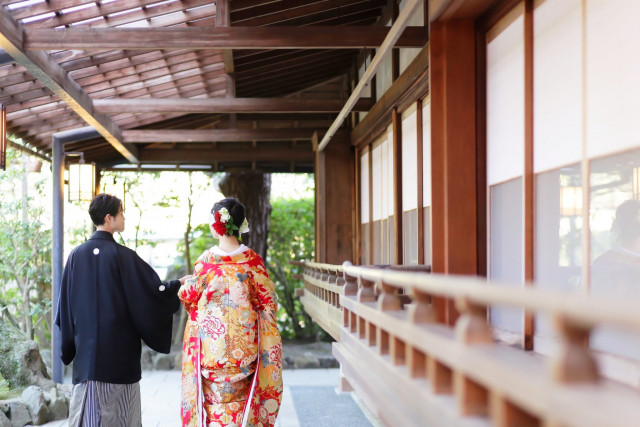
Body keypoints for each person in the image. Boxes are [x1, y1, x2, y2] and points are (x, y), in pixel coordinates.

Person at [55, 193, 191, 426]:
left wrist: (71, 344)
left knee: (86, 415)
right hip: (118, 352)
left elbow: (65, 306)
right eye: (121, 212)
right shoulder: (123, 256)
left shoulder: (76, 255)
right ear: (109, 218)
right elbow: (152, 292)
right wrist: (177, 284)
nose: (124, 217)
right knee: (120, 415)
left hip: (86, 352)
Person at [179, 198, 283, 427]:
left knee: (212, 408)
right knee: (243, 408)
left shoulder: (205, 263)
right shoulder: (252, 262)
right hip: (244, 351)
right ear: (241, 223)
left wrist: (185, 287)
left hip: (211, 350)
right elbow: (269, 304)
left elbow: (190, 299)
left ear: (216, 225)